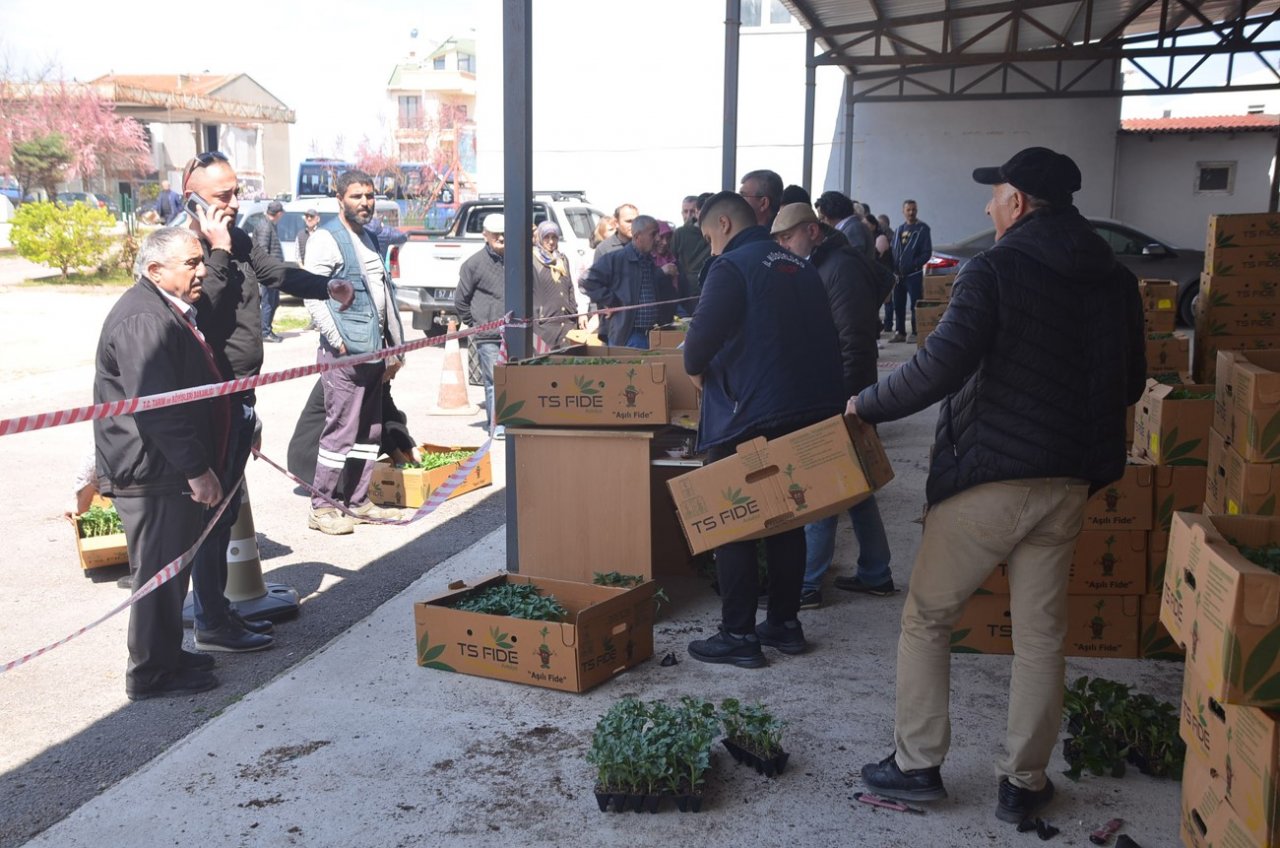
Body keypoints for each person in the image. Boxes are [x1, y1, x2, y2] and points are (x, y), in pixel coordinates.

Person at [850, 147, 1145, 824]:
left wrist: (865, 404)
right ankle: (1025, 782)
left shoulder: (996, 269)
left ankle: (917, 764)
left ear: (1019, 202)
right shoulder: (1116, 279)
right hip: (1070, 481)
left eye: (996, 194)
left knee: (928, 617)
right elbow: (1129, 384)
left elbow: (938, 367)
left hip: (992, 478)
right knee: (1040, 637)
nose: (988, 206)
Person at [184, 151, 351, 653]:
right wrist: (213, 251)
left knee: (229, 503)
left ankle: (220, 611)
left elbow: (275, 272)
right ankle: (213, 620)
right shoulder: (188, 248)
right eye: (222, 196)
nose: (235, 203)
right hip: (211, 400)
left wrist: (326, 286)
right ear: (192, 196)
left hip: (240, 394)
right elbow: (199, 305)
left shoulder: (235, 238)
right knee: (213, 513)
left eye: (237, 192)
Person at [682, 192, 844, 668]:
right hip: (806, 409)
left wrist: (698, 369)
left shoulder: (731, 267)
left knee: (736, 520)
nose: (711, 247)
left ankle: (738, 634)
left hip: (749, 414)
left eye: (710, 236)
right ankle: (785, 624)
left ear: (725, 224)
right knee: (786, 517)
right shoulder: (797, 264)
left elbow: (695, 351)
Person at [93, 227, 227, 700]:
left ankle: (166, 655)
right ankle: (150, 673)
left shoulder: (162, 310)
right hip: (150, 471)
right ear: (154, 270)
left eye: (200, 260)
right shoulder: (143, 320)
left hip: (162, 467)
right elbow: (158, 405)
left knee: (172, 571)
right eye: (190, 263)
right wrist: (197, 468)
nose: (202, 271)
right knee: (158, 574)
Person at [769, 203, 895, 610]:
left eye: (789, 238)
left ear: (812, 231)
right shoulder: (824, 264)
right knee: (858, 487)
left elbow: (854, 341)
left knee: (824, 484)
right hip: (843, 391)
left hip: (842, 393)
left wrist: (846, 401)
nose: (786, 247)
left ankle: (806, 584)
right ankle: (876, 572)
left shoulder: (839, 268)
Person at [302, 168, 407, 535]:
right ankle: (322, 506)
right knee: (341, 432)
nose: (365, 203)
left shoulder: (370, 238)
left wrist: (394, 347)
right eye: (357, 196)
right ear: (340, 200)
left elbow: (385, 295)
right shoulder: (326, 240)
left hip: (374, 355)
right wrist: (339, 342)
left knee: (369, 431)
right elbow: (314, 296)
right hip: (346, 357)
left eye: (369, 195)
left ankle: (359, 501)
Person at [581, 215, 676, 349]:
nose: (657, 239)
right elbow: (586, 281)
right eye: (653, 234)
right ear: (637, 237)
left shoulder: (649, 262)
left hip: (650, 335)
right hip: (628, 336)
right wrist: (611, 301)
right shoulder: (616, 259)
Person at [454, 213, 506, 436]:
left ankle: (513, 421)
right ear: (486, 235)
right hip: (488, 333)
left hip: (515, 331)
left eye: (504, 233)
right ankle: (498, 425)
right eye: (496, 234)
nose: (501, 237)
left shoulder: (518, 260)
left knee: (516, 379)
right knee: (494, 380)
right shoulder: (473, 264)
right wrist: (476, 323)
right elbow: (460, 300)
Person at [531, 220, 580, 349]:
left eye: (554, 237)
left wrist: (574, 311)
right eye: (546, 237)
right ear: (540, 238)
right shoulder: (533, 259)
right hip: (545, 325)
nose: (551, 242)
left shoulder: (562, 259)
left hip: (567, 324)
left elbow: (570, 288)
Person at [891, 199, 932, 343]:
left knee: (915, 304)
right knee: (898, 304)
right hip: (898, 275)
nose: (911, 212)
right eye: (908, 210)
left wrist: (914, 265)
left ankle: (915, 332)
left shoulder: (922, 229)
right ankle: (900, 332)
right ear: (903, 211)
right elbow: (893, 251)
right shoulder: (898, 230)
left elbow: (927, 252)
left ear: (917, 210)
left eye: (913, 209)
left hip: (913, 275)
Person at [255, 200, 286, 343]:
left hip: (274, 271)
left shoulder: (270, 225)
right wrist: (267, 272)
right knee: (268, 302)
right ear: (279, 213)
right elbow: (262, 251)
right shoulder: (265, 227)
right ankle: (265, 332)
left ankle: (267, 329)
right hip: (269, 273)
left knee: (274, 302)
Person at [815, 190, 872, 257]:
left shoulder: (854, 228)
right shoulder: (852, 226)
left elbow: (852, 260)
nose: (822, 222)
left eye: (823, 218)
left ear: (831, 213)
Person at [671, 194, 711, 288]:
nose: (688, 215)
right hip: (686, 288)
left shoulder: (712, 231)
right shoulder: (679, 233)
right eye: (685, 211)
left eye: (692, 211)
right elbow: (672, 259)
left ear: (697, 212)